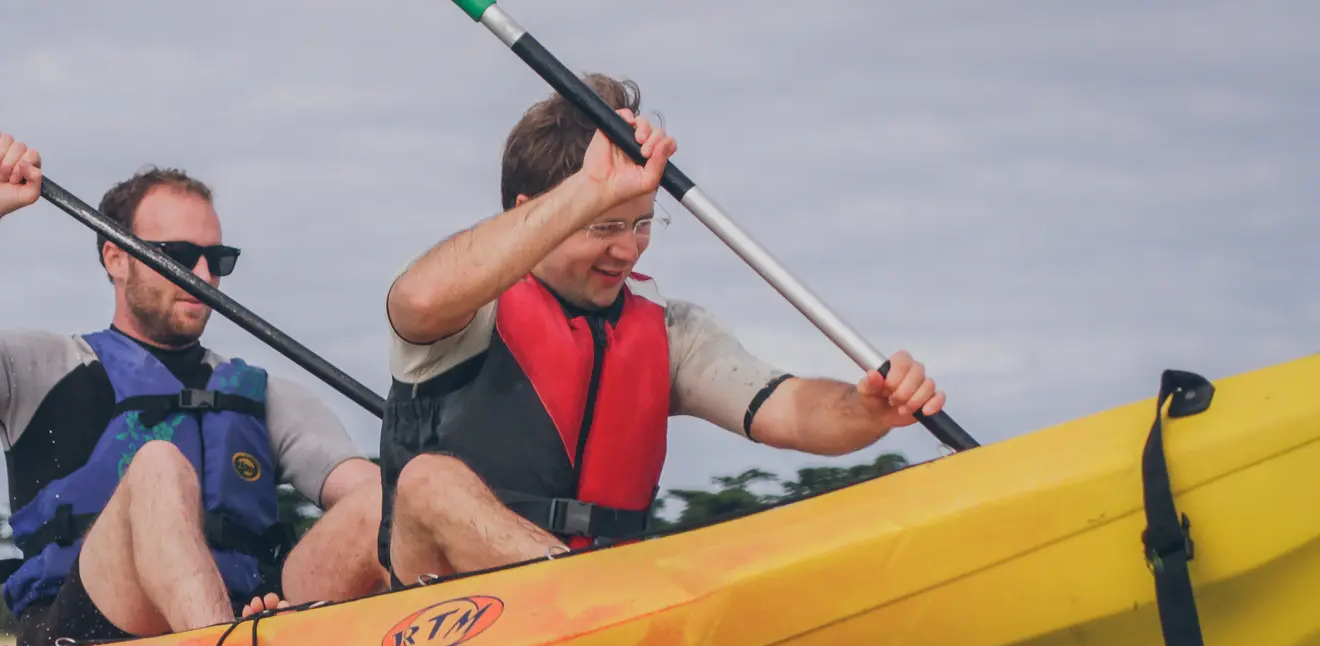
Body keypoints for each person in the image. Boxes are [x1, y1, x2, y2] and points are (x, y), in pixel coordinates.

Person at [380, 76, 948, 583]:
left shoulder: (672, 330)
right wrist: (585, 189)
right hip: (444, 618)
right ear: (533, 212)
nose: (627, 250)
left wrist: (864, 409)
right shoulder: (469, 310)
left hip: (606, 591)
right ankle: (576, 605)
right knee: (423, 482)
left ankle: (589, 611)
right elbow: (418, 299)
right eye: (603, 224)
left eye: (643, 224)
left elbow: (787, 409)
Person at [0, 132, 386, 646]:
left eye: (216, 259)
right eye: (178, 255)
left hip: (255, 625)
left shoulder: (268, 397)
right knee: (158, 464)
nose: (202, 275)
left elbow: (372, 502)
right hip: (89, 631)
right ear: (116, 258)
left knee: (392, 493)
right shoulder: (44, 366)